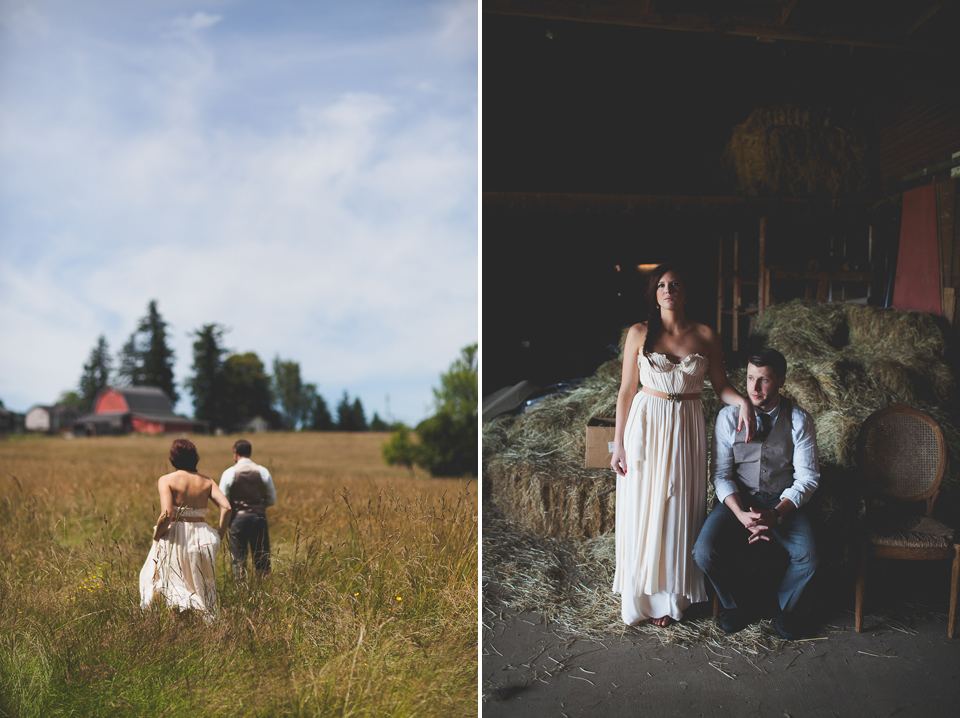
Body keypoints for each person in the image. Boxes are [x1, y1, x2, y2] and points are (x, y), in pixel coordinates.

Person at [611, 263, 756, 627]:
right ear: (653, 294)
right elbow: (627, 390)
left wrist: (743, 402)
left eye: (675, 283)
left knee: (678, 509)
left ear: (685, 292)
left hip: (687, 426)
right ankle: (642, 599)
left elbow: (721, 386)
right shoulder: (639, 333)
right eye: (661, 285)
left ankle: (672, 600)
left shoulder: (706, 334)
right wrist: (618, 444)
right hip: (646, 426)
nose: (668, 289)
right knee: (645, 508)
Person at [693, 348, 820, 640]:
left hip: (783, 502)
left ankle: (785, 608)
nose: (754, 387)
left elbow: (808, 479)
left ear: (781, 381)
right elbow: (722, 475)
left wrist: (776, 513)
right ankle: (738, 605)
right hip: (739, 500)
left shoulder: (800, 420)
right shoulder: (727, 418)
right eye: (750, 378)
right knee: (704, 552)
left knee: (809, 556)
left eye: (763, 380)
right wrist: (740, 514)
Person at [139, 438, 232, 621]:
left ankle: (180, 629)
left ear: (173, 457)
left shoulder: (166, 480)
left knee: (175, 583)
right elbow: (227, 508)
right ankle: (203, 624)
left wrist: (157, 536)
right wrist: (218, 536)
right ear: (194, 458)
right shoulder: (207, 481)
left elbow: (166, 515)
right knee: (200, 584)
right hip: (202, 537)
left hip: (177, 536)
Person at [219, 439, 277, 579]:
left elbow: (223, 500)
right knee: (262, 558)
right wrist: (260, 506)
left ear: (235, 452)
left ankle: (240, 590)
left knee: (238, 559)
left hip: (237, 520)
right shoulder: (263, 471)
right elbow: (272, 499)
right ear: (250, 452)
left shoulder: (230, 473)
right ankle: (263, 587)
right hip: (259, 518)